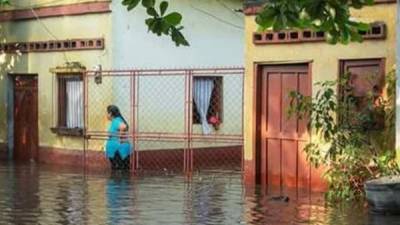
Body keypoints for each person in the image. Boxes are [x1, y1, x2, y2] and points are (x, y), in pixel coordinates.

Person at [105, 105, 132, 170]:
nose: (106, 115)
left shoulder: (116, 121)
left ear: (110, 113)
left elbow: (123, 127)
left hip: (118, 150)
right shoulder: (117, 120)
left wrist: (120, 138)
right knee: (123, 171)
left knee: (118, 171)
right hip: (119, 150)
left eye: (107, 113)